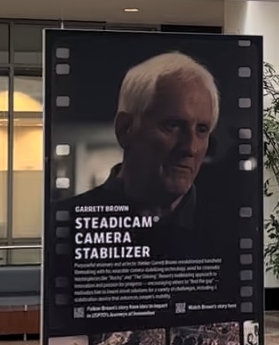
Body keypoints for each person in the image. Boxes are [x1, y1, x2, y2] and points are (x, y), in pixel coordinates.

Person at [58, 52, 228, 251]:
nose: (190, 147)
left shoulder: (231, 231)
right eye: (173, 125)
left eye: (202, 130)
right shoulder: (66, 224)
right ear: (125, 129)